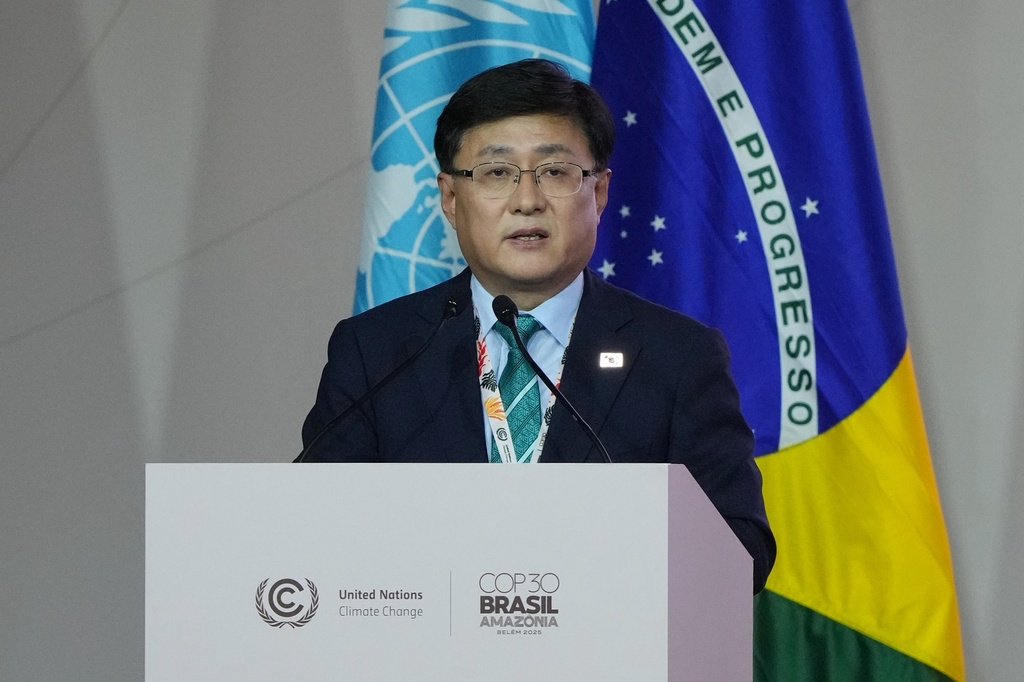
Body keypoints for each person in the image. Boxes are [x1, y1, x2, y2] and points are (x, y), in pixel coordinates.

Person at [301, 59, 775, 592]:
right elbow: (313, 530)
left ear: (597, 193)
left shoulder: (678, 356)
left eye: (555, 172)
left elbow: (740, 550)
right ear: (451, 199)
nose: (527, 201)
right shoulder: (377, 351)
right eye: (496, 173)